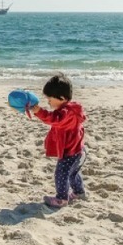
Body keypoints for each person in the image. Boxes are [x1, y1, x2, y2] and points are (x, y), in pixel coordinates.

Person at [29, 73, 87, 208]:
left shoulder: (65, 113)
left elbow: (53, 119)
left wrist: (38, 111)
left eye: (50, 98)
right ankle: (79, 192)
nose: (48, 101)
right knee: (73, 173)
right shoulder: (71, 109)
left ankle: (61, 199)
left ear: (61, 98)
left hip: (71, 152)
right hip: (79, 150)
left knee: (61, 173)